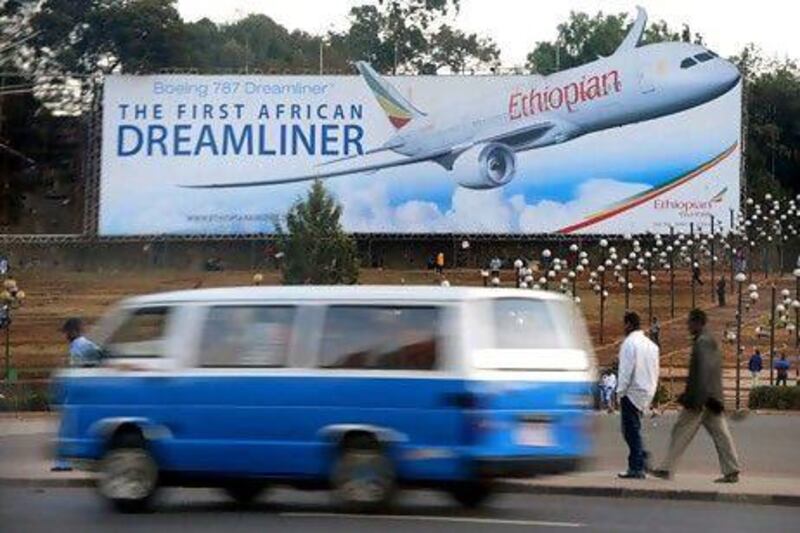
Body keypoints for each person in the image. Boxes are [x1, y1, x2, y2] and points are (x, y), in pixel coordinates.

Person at [652, 309, 740, 483]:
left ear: (698, 322)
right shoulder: (708, 340)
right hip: (711, 398)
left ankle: (666, 468)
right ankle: (732, 470)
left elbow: (703, 372)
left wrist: (693, 398)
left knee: (680, 431)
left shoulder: (703, 342)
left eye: (689, 322)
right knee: (721, 434)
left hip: (700, 400)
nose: (687, 326)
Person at [52, 318, 103, 472]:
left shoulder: (81, 345)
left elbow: (98, 359)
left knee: (68, 427)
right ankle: (67, 461)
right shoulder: (83, 344)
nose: (65, 336)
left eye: (66, 332)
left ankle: (64, 463)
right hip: (82, 391)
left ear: (73, 331)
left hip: (80, 391)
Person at [616, 311, 660, 479]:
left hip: (631, 391)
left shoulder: (629, 343)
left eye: (624, 324)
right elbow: (656, 370)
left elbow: (626, 369)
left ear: (628, 324)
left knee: (630, 430)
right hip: (647, 390)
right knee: (634, 428)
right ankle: (641, 456)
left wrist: (620, 391)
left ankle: (637, 466)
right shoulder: (651, 345)